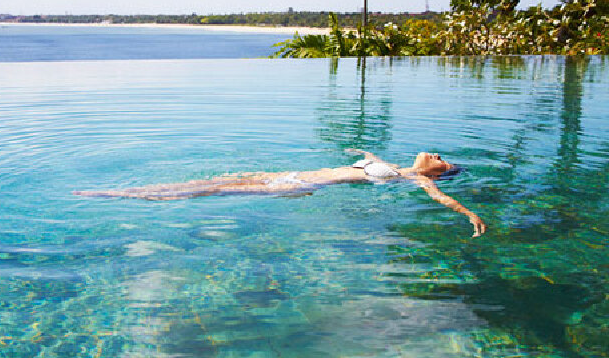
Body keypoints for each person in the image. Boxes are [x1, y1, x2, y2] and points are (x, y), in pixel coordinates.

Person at [73, 149, 487, 237]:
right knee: (218, 178)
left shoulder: (416, 179)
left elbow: (442, 199)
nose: (435, 154)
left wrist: (468, 215)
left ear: (438, 172)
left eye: (441, 160)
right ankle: (125, 192)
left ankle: (120, 196)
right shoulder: (396, 163)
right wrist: (362, 154)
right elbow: (370, 155)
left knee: (214, 190)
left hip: (304, 186)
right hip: (292, 174)